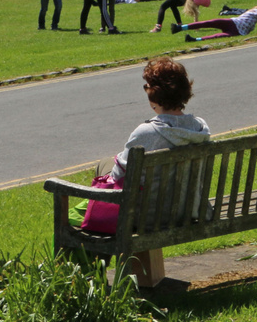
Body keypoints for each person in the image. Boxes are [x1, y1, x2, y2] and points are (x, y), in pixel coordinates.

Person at [79, 59, 211, 268]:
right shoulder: (199, 128)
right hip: (189, 210)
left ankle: (91, 274)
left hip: (149, 217)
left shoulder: (147, 132)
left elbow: (117, 175)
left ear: (154, 96)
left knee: (104, 168)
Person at [184, 4, 257, 42]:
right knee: (215, 32)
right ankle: (185, 30)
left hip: (233, 25)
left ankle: (191, 36)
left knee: (212, 27)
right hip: (234, 26)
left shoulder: (252, 18)